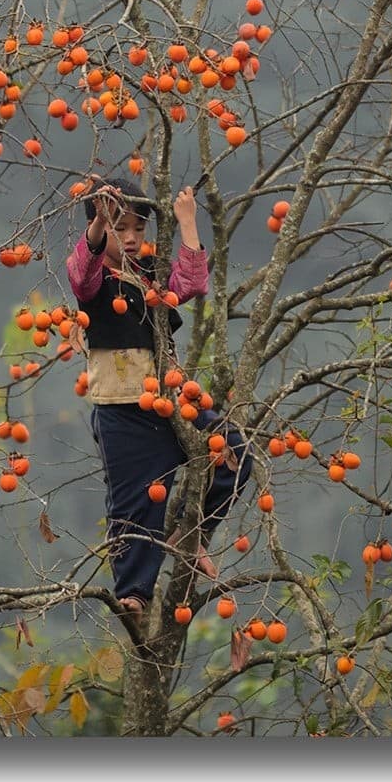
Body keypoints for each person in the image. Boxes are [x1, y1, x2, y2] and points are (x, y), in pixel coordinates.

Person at [69, 177, 253, 617]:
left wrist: (188, 223)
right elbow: (81, 273)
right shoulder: (94, 283)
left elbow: (191, 284)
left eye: (139, 229)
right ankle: (134, 593)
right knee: (133, 506)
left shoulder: (149, 274)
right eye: (120, 228)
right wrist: (97, 223)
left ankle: (195, 534)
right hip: (121, 411)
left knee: (235, 451)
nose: (131, 238)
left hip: (172, 401)